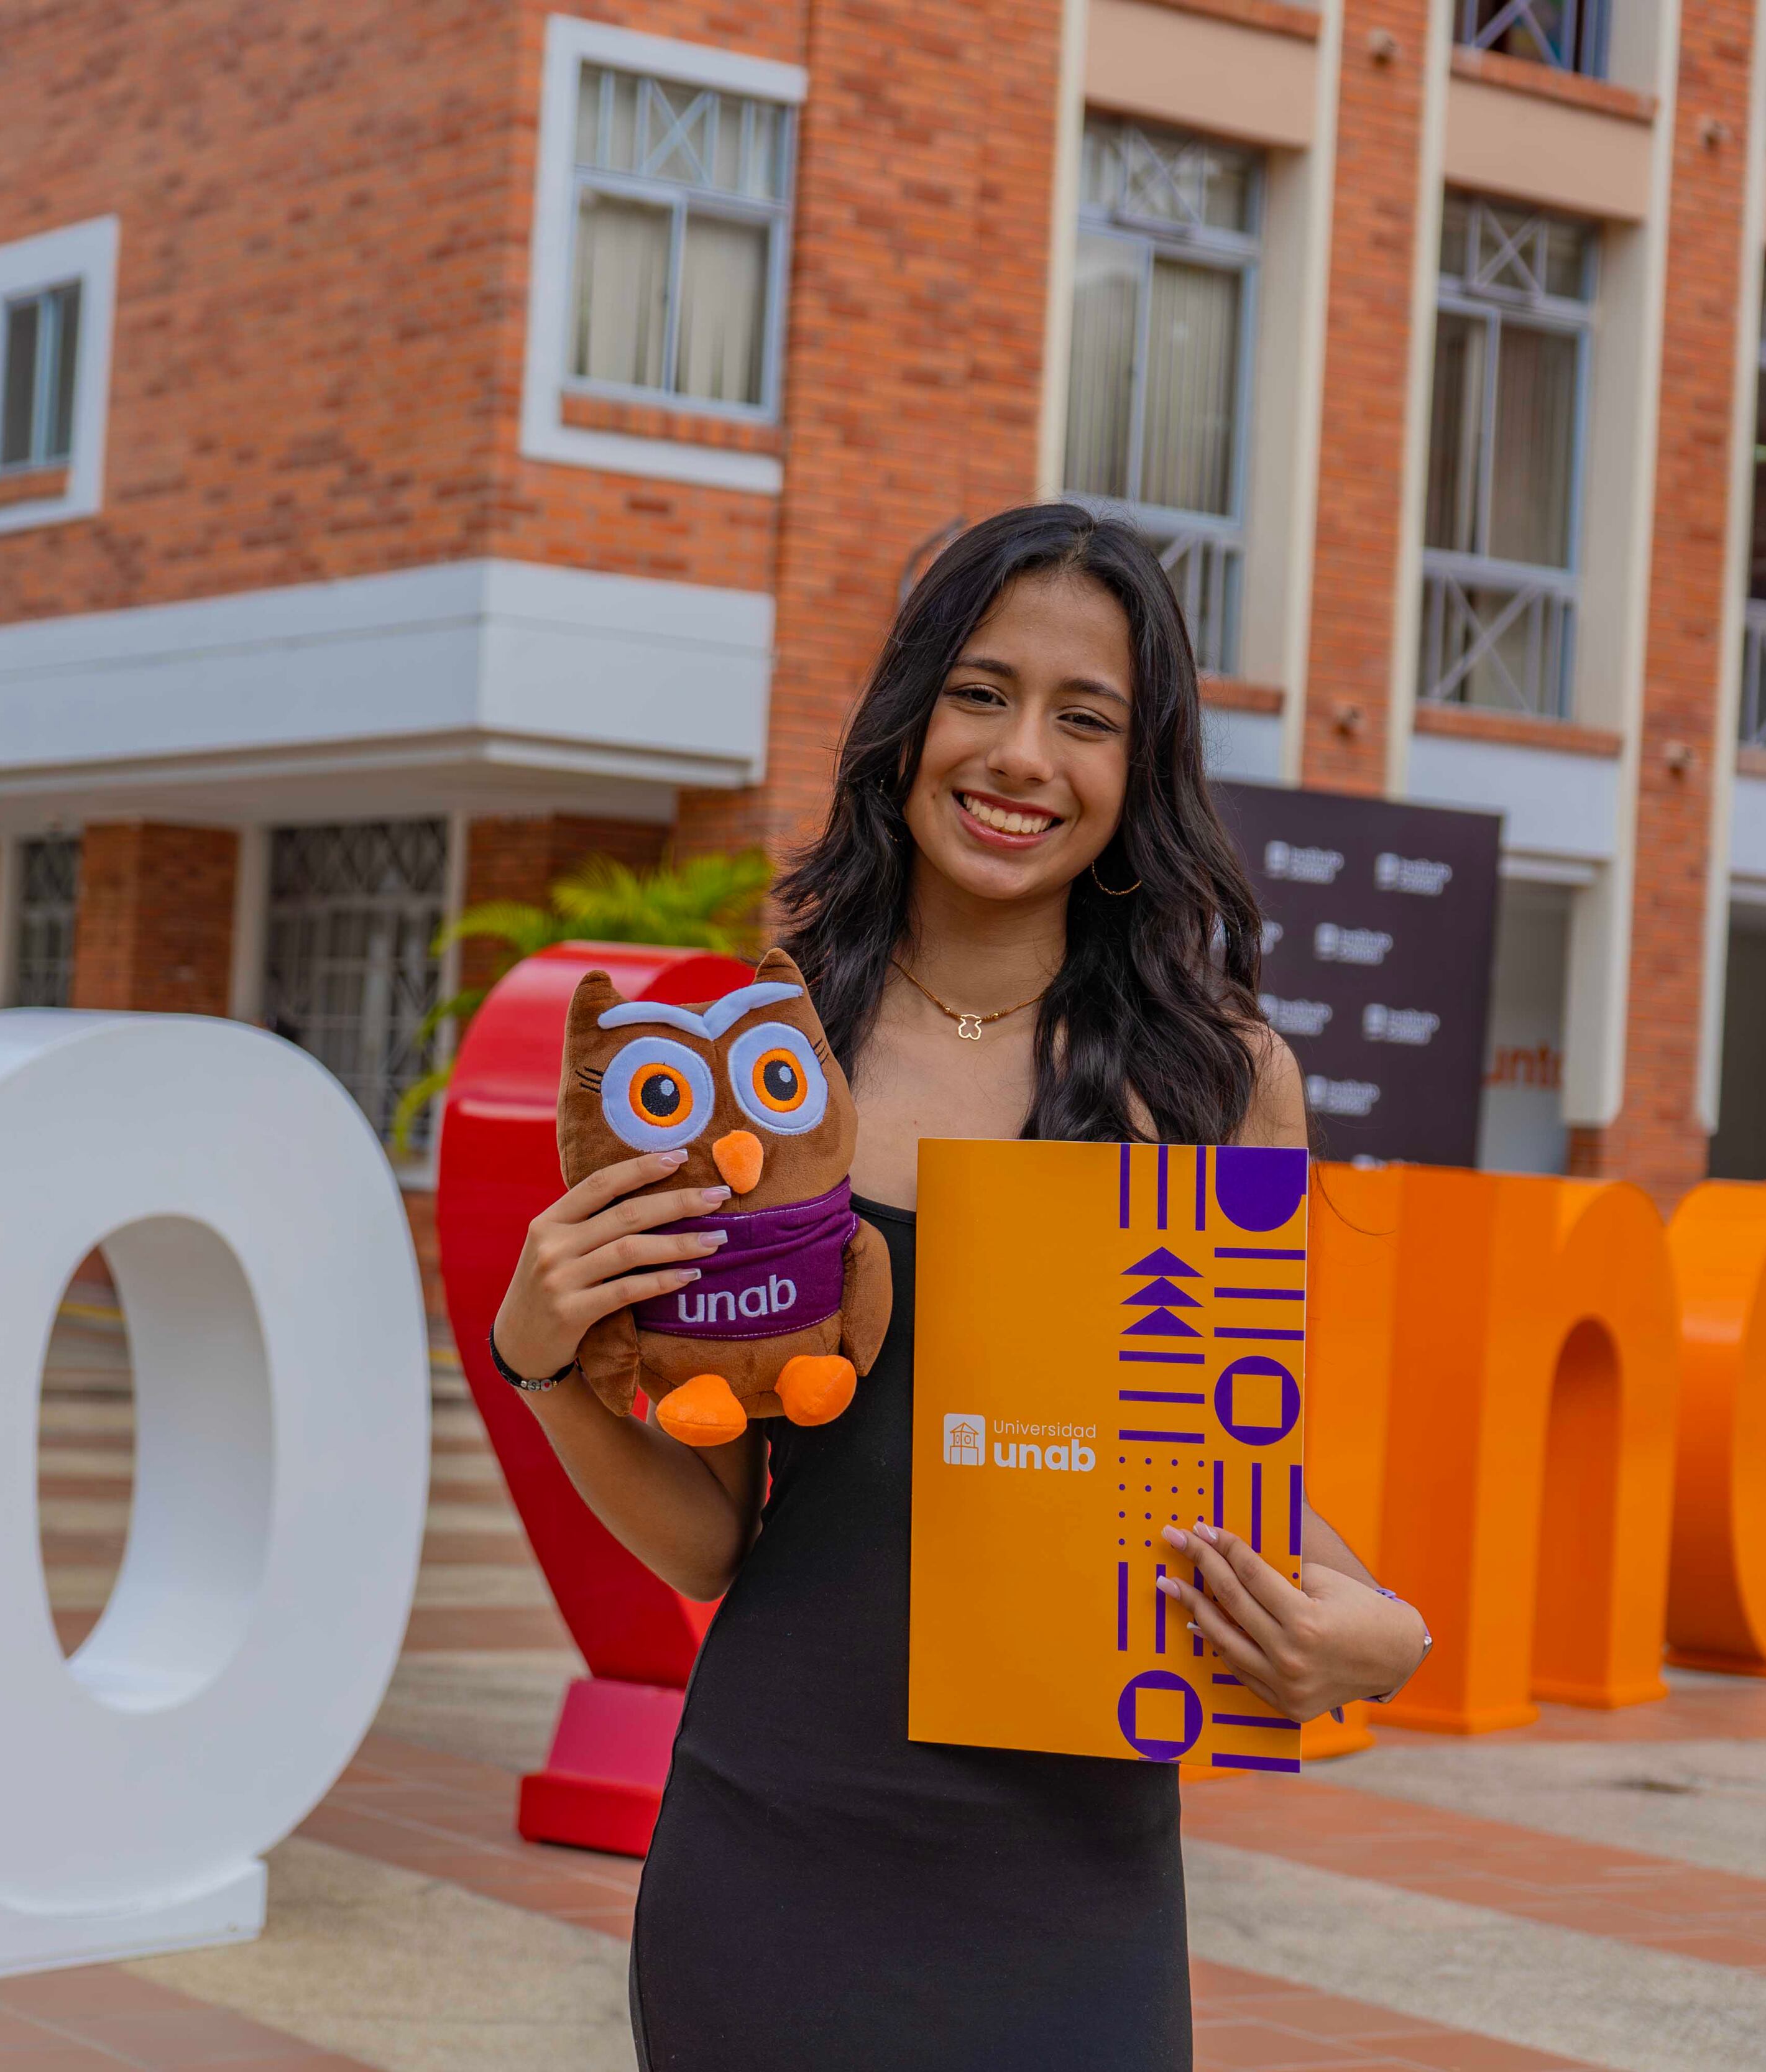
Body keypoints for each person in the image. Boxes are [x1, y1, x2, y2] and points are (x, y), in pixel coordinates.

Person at [485, 504, 1433, 2070]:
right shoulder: (768, 1061)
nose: (1020, 756)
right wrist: (540, 1361)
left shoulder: (1218, 1084)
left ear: (1141, 768)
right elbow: (716, 1541)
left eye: (1086, 716)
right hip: (775, 1845)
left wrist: (1383, 1631)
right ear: (908, 718)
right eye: (980, 692)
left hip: (1072, 1879)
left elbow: (1212, 1467)